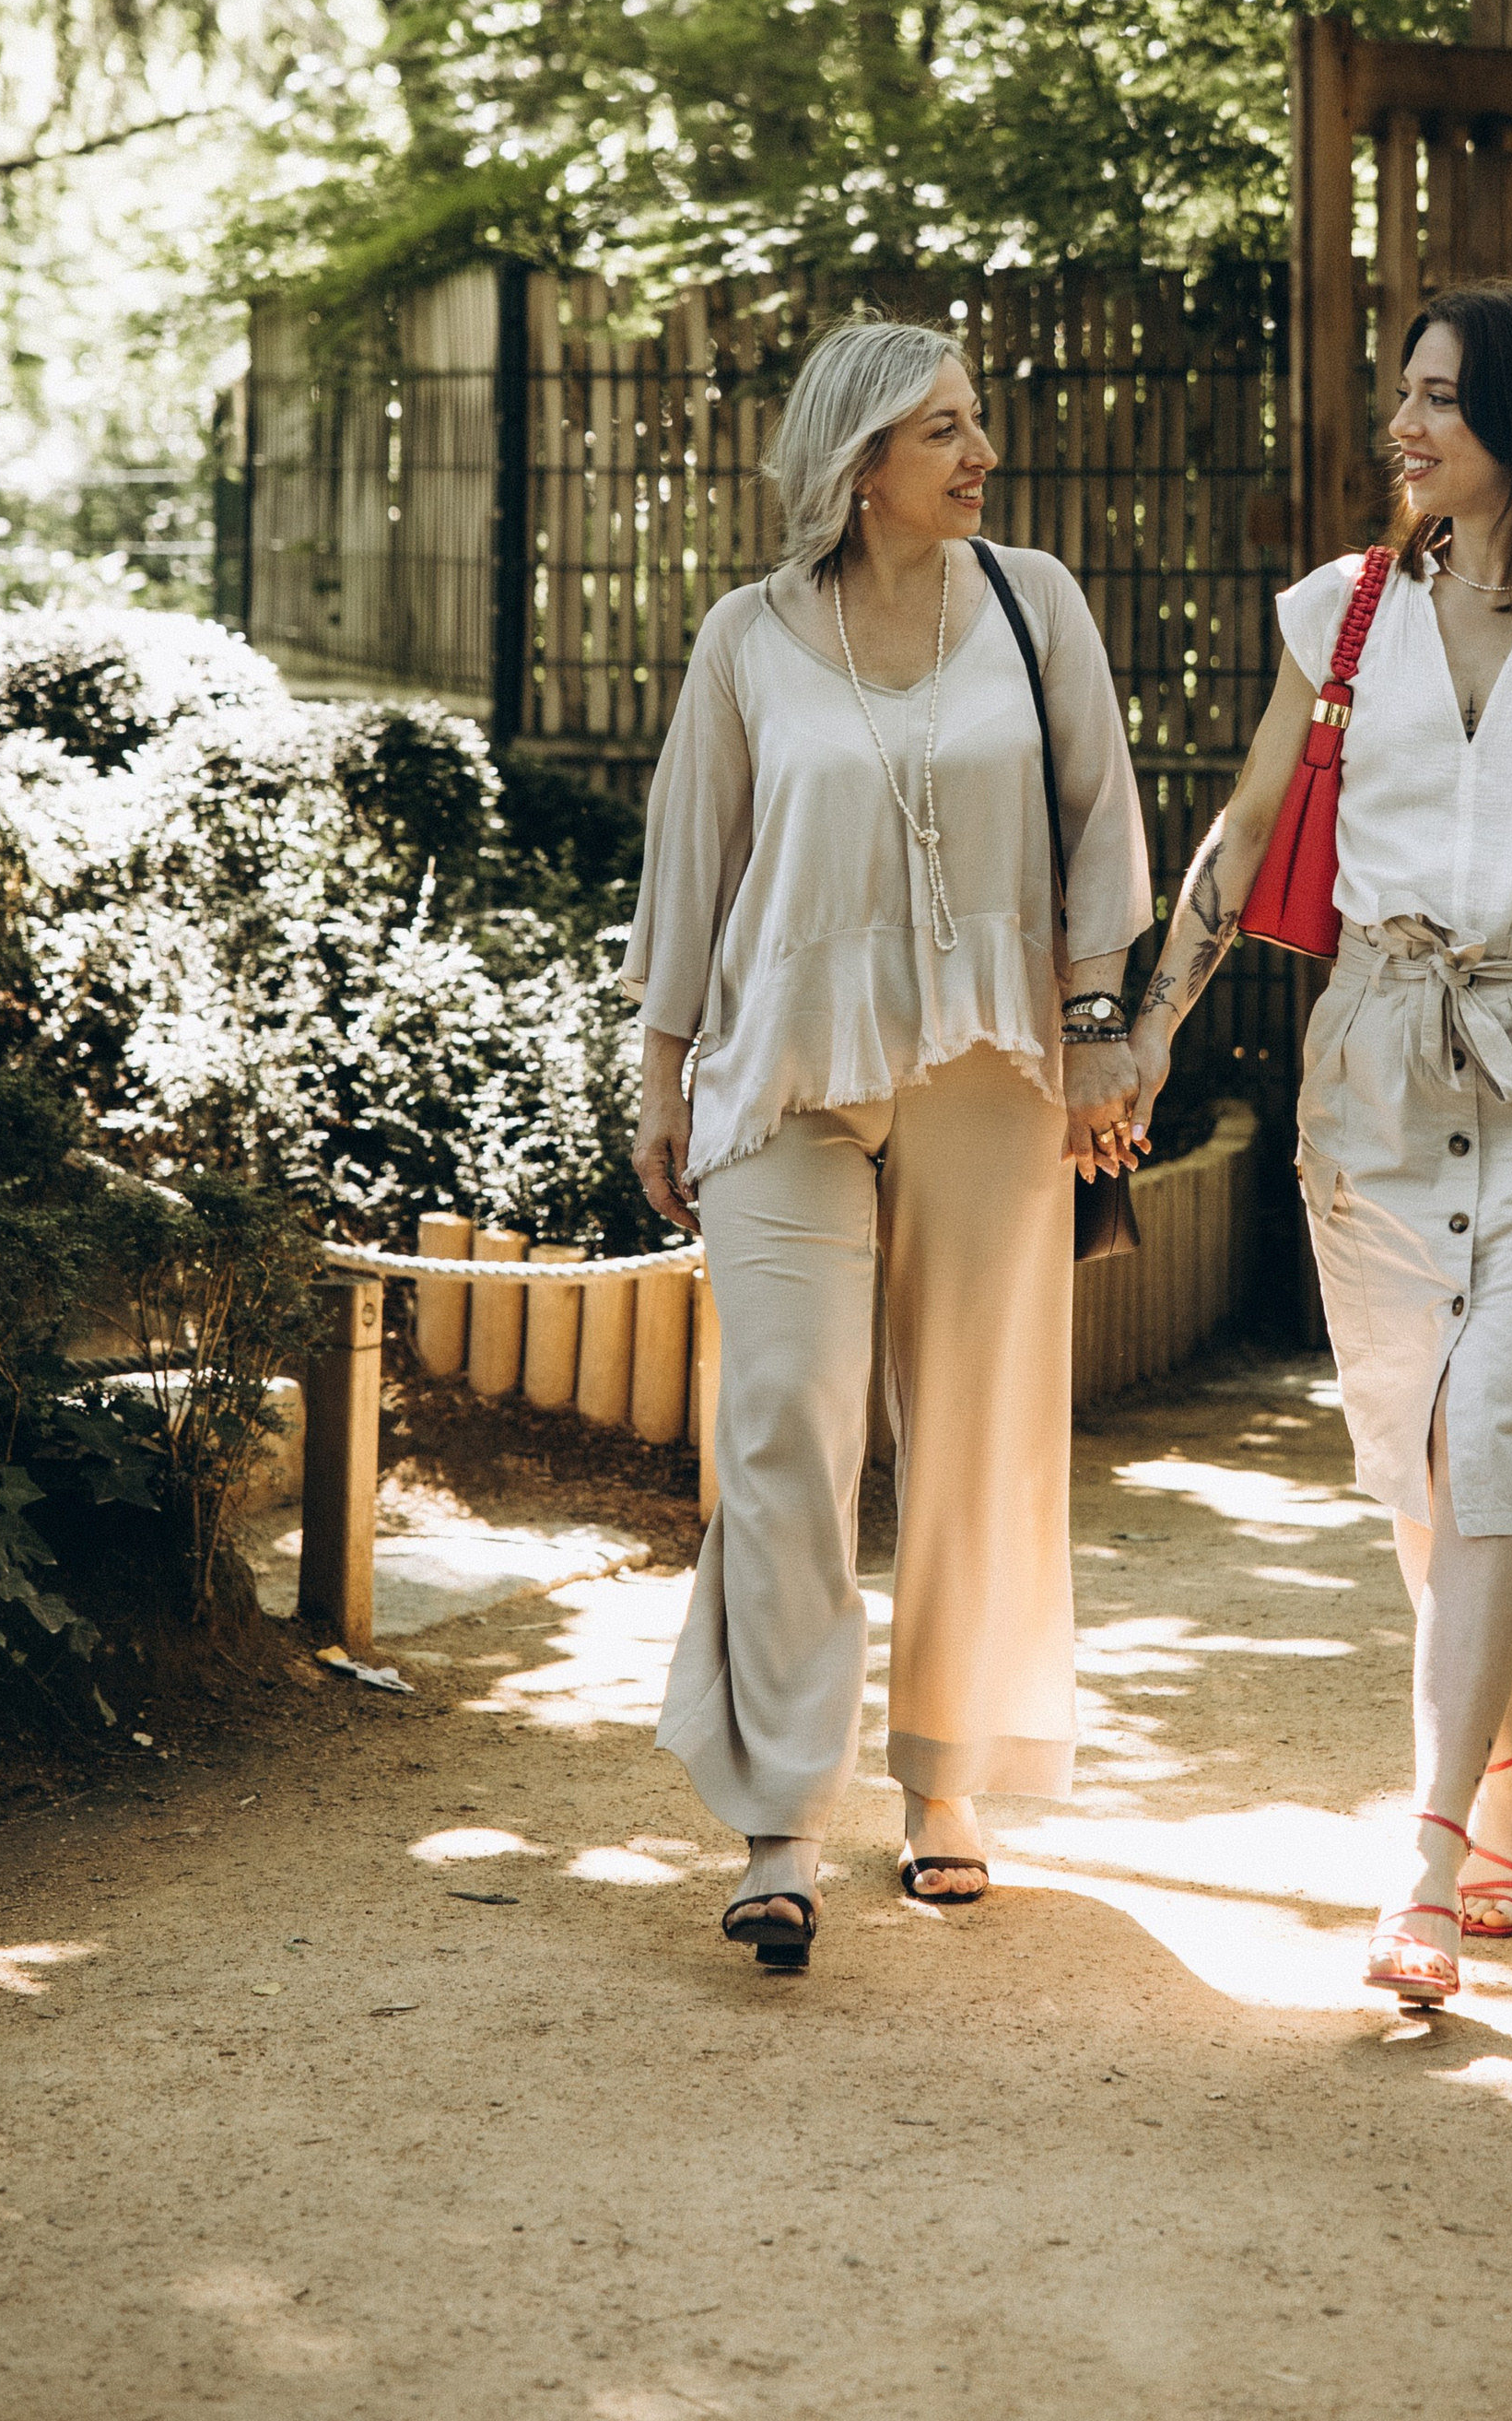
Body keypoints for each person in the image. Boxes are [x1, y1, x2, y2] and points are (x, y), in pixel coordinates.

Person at [1129, 279, 1512, 2008]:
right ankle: (1510, 1770)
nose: (1404, 426)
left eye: (1440, 399)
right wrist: (1154, 1025)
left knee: (1494, 1443)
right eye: (1402, 394)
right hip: (1372, 1069)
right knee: (1413, 1470)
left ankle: (1428, 1854)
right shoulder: (1347, 610)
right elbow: (1243, 836)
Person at [621, 318, 1153, 1972]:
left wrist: (1097, 1033)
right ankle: (784, 1815)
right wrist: (658, 1078)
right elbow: (688, 868)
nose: (978, 453)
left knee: (981, 1418)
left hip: (991, 1059)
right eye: (942, 431)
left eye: (976, 422)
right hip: (783, 1066)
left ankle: (946, 1781)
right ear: (858, 467)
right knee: (782, 1416)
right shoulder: (749, 639)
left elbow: (1099, 826)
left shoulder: (1032, 600)